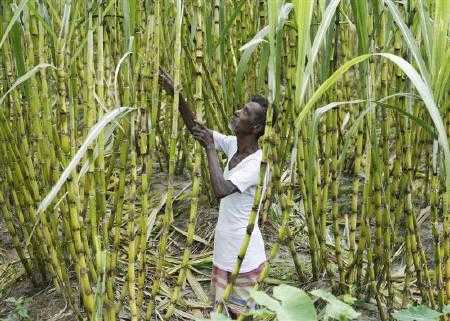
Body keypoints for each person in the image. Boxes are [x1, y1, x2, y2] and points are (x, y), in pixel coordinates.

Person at [159, 69, 269, 319]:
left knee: (241, 316)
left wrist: (210, 148)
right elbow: (198, 130)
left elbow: (221, 189)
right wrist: (177, 96)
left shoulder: (258, 164)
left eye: (245, 112)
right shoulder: (233, 145)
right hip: (224, 256)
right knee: (219, 314)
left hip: (246, 261)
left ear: (255, 127)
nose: (237, 113)